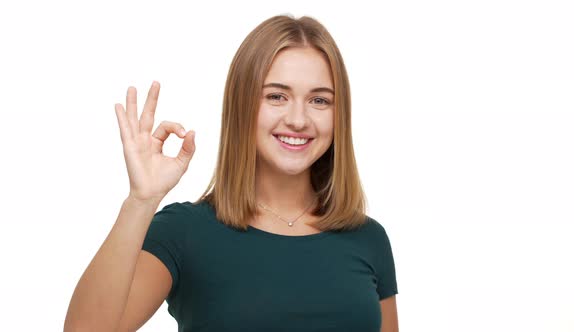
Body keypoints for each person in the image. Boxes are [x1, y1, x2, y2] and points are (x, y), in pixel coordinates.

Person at [64, 14, 399, 332]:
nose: (298, 119)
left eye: (320, 101)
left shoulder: (368, 238)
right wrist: (141, 200)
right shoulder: (184, 232)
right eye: (276, 96)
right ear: (242, 104)